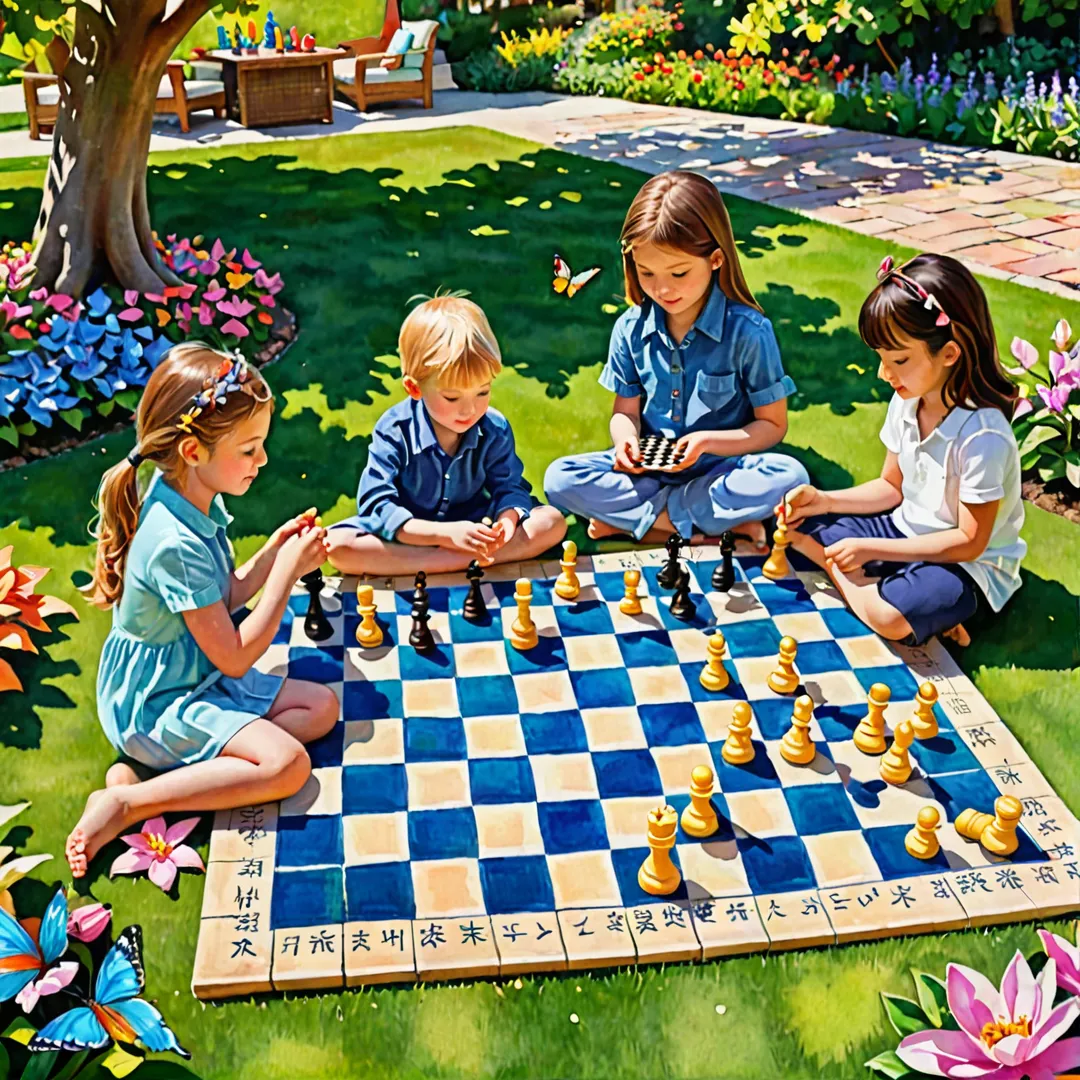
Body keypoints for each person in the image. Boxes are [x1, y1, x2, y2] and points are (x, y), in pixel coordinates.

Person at [66, 343, 339, 878]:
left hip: (195, 671)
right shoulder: (173, 541)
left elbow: (226, 595)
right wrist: (285, 572)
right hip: (157, 703)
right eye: (250, 449)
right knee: (288, 764)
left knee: (321, 708)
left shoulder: (190, 496)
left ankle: (159, 777)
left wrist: (269, 554)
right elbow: (235, 656)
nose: (262, 462)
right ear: (193, 451)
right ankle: (131, 802)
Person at [544, 170, 808, 549]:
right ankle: (707, 527)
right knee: (560, 478)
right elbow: (626, 413)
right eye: (646, 271)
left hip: (721, 470)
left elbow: (772, 426)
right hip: (649, 474)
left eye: (679, 272)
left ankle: (641, 525)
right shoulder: (629, 329)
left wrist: (706, 442)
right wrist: (625, 442)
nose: (662, 288)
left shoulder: (750, 332)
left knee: (790, 476)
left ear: (716, 259)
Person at [782, 253, 1026, 647]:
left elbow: (970, 541)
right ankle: (888, 594)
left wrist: (870, 549)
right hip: (902, 530)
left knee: (890, 616)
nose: (883, 373)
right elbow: (890, 488)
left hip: (966, 565)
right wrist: (824, 500)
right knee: (801, 528)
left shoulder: (983, 437)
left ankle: (873, 595)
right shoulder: (908, 400)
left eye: (897, 359)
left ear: (949, 353)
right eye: (880, 358)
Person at [326, 293, 566, 575]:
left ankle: (439, 562)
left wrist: (506, 522)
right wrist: (442, 535)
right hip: (413, 532)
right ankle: (464, 560)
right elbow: (377, 505)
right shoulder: (394, 429)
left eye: (483, 392)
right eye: (452, 398)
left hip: (473, 526)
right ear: (415, 389)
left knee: (551, 521)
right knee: (337, 544)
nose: (470, 409)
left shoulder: (494, 428)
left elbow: (510, 488)